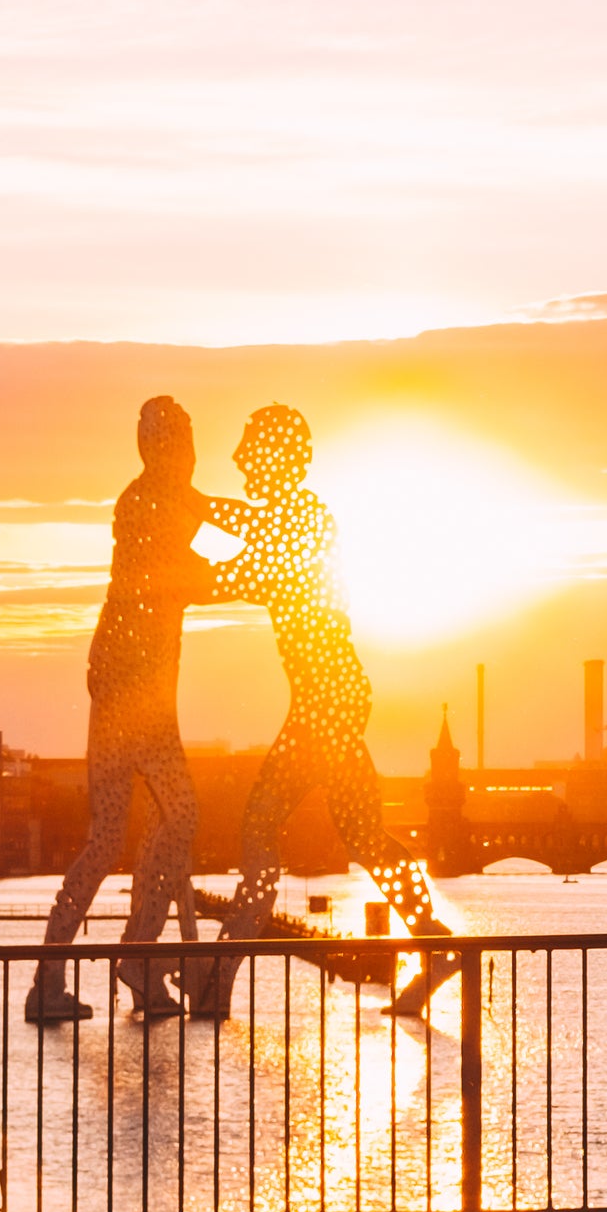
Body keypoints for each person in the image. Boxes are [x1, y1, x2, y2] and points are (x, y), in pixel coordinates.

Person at [190, 403, 454, 1017]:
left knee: (259, 827)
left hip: (325, 701)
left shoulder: (302, 519)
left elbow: (238, 571)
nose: (238, 458)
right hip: (331, 696)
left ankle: (216, 982)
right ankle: (435, 941)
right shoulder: (288, 517)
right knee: (362, 833)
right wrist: (194, 510)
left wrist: (183, 530)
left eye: (249, 448)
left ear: (276, 457)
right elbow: (243, 529)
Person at [25, 396, 240, 1026]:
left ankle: (61, 975)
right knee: (178, 815)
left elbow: (217, 516)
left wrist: (268, 533)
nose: (190, 455)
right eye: (182, 443)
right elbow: (193, 576)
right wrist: (275, 565)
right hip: (135, 700)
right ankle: (135, 957)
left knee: (111, 838)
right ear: (161, 448)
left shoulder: (156, 498)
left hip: (125, 693)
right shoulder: (152, 505)